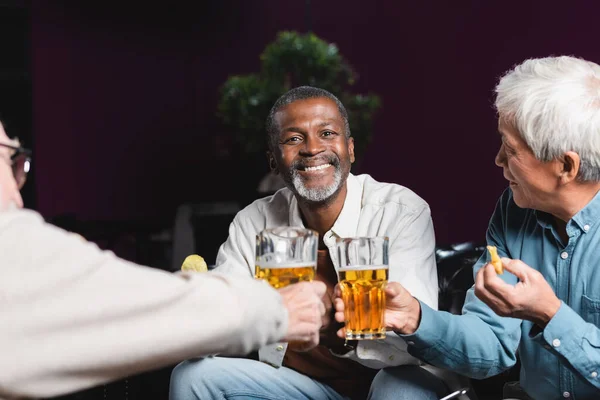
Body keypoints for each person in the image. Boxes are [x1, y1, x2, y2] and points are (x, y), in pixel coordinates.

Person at [333, 55, 600, 400]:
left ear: (566, 165)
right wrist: (415, 318)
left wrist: (550, 314)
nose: (498, 159)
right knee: (398, 387)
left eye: (511, 148)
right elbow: (489, 349)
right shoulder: (514, 209)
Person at [0, 121, 327, 399]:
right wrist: (279, 310)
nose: (18, 191)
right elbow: (120, 305)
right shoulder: (253, 220)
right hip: (280, 363)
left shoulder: (379, 206)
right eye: (10, 160)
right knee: (193, 375)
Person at [170, 86, 458, 400]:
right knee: (192, 376)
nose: (311, 149)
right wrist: (198, 307)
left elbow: (414, 340)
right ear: (273, 160)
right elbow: (226, 322)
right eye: (294, 139)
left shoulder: (400, 212)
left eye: (327, 133)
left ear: (350, 149)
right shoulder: (253, 222)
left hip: (393, 376)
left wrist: (340, 335)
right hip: (301, 387)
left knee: (397, 390)